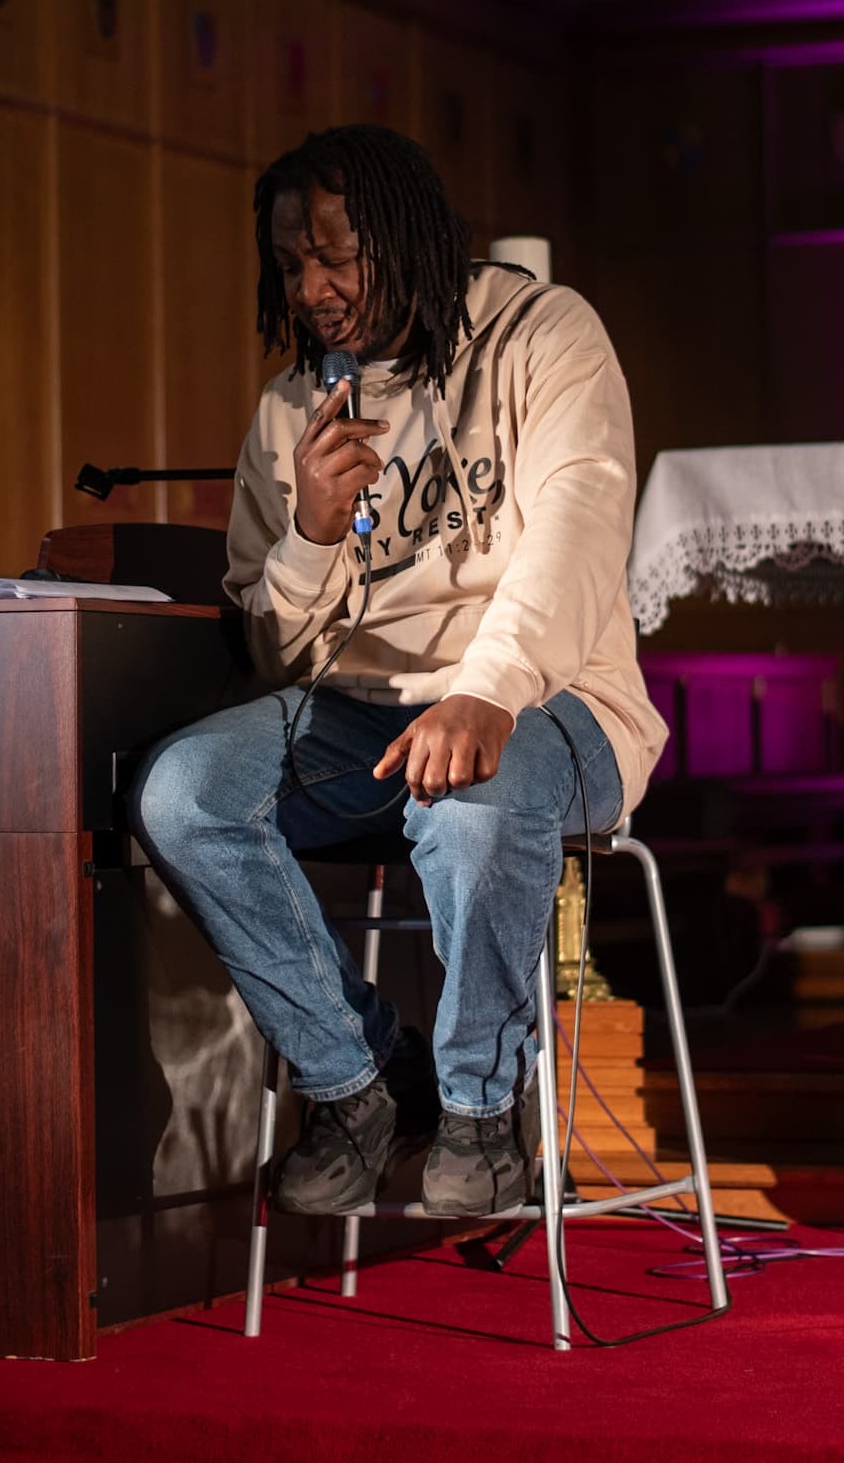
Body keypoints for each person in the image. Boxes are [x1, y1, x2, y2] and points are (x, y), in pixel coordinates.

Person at [131, 124, 667, 1219]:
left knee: (473, 803)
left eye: (335, 256)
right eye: (291, 264)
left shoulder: (541, 335)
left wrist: (487, 689)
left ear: (409, 237)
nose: (311, 290)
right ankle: (361, 1082)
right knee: (182, 793)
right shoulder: (293, 407)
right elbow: (275, 658)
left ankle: (482, 1109)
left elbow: (578, 528)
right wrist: (312, 535)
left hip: (553, 702)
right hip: (362, 719)